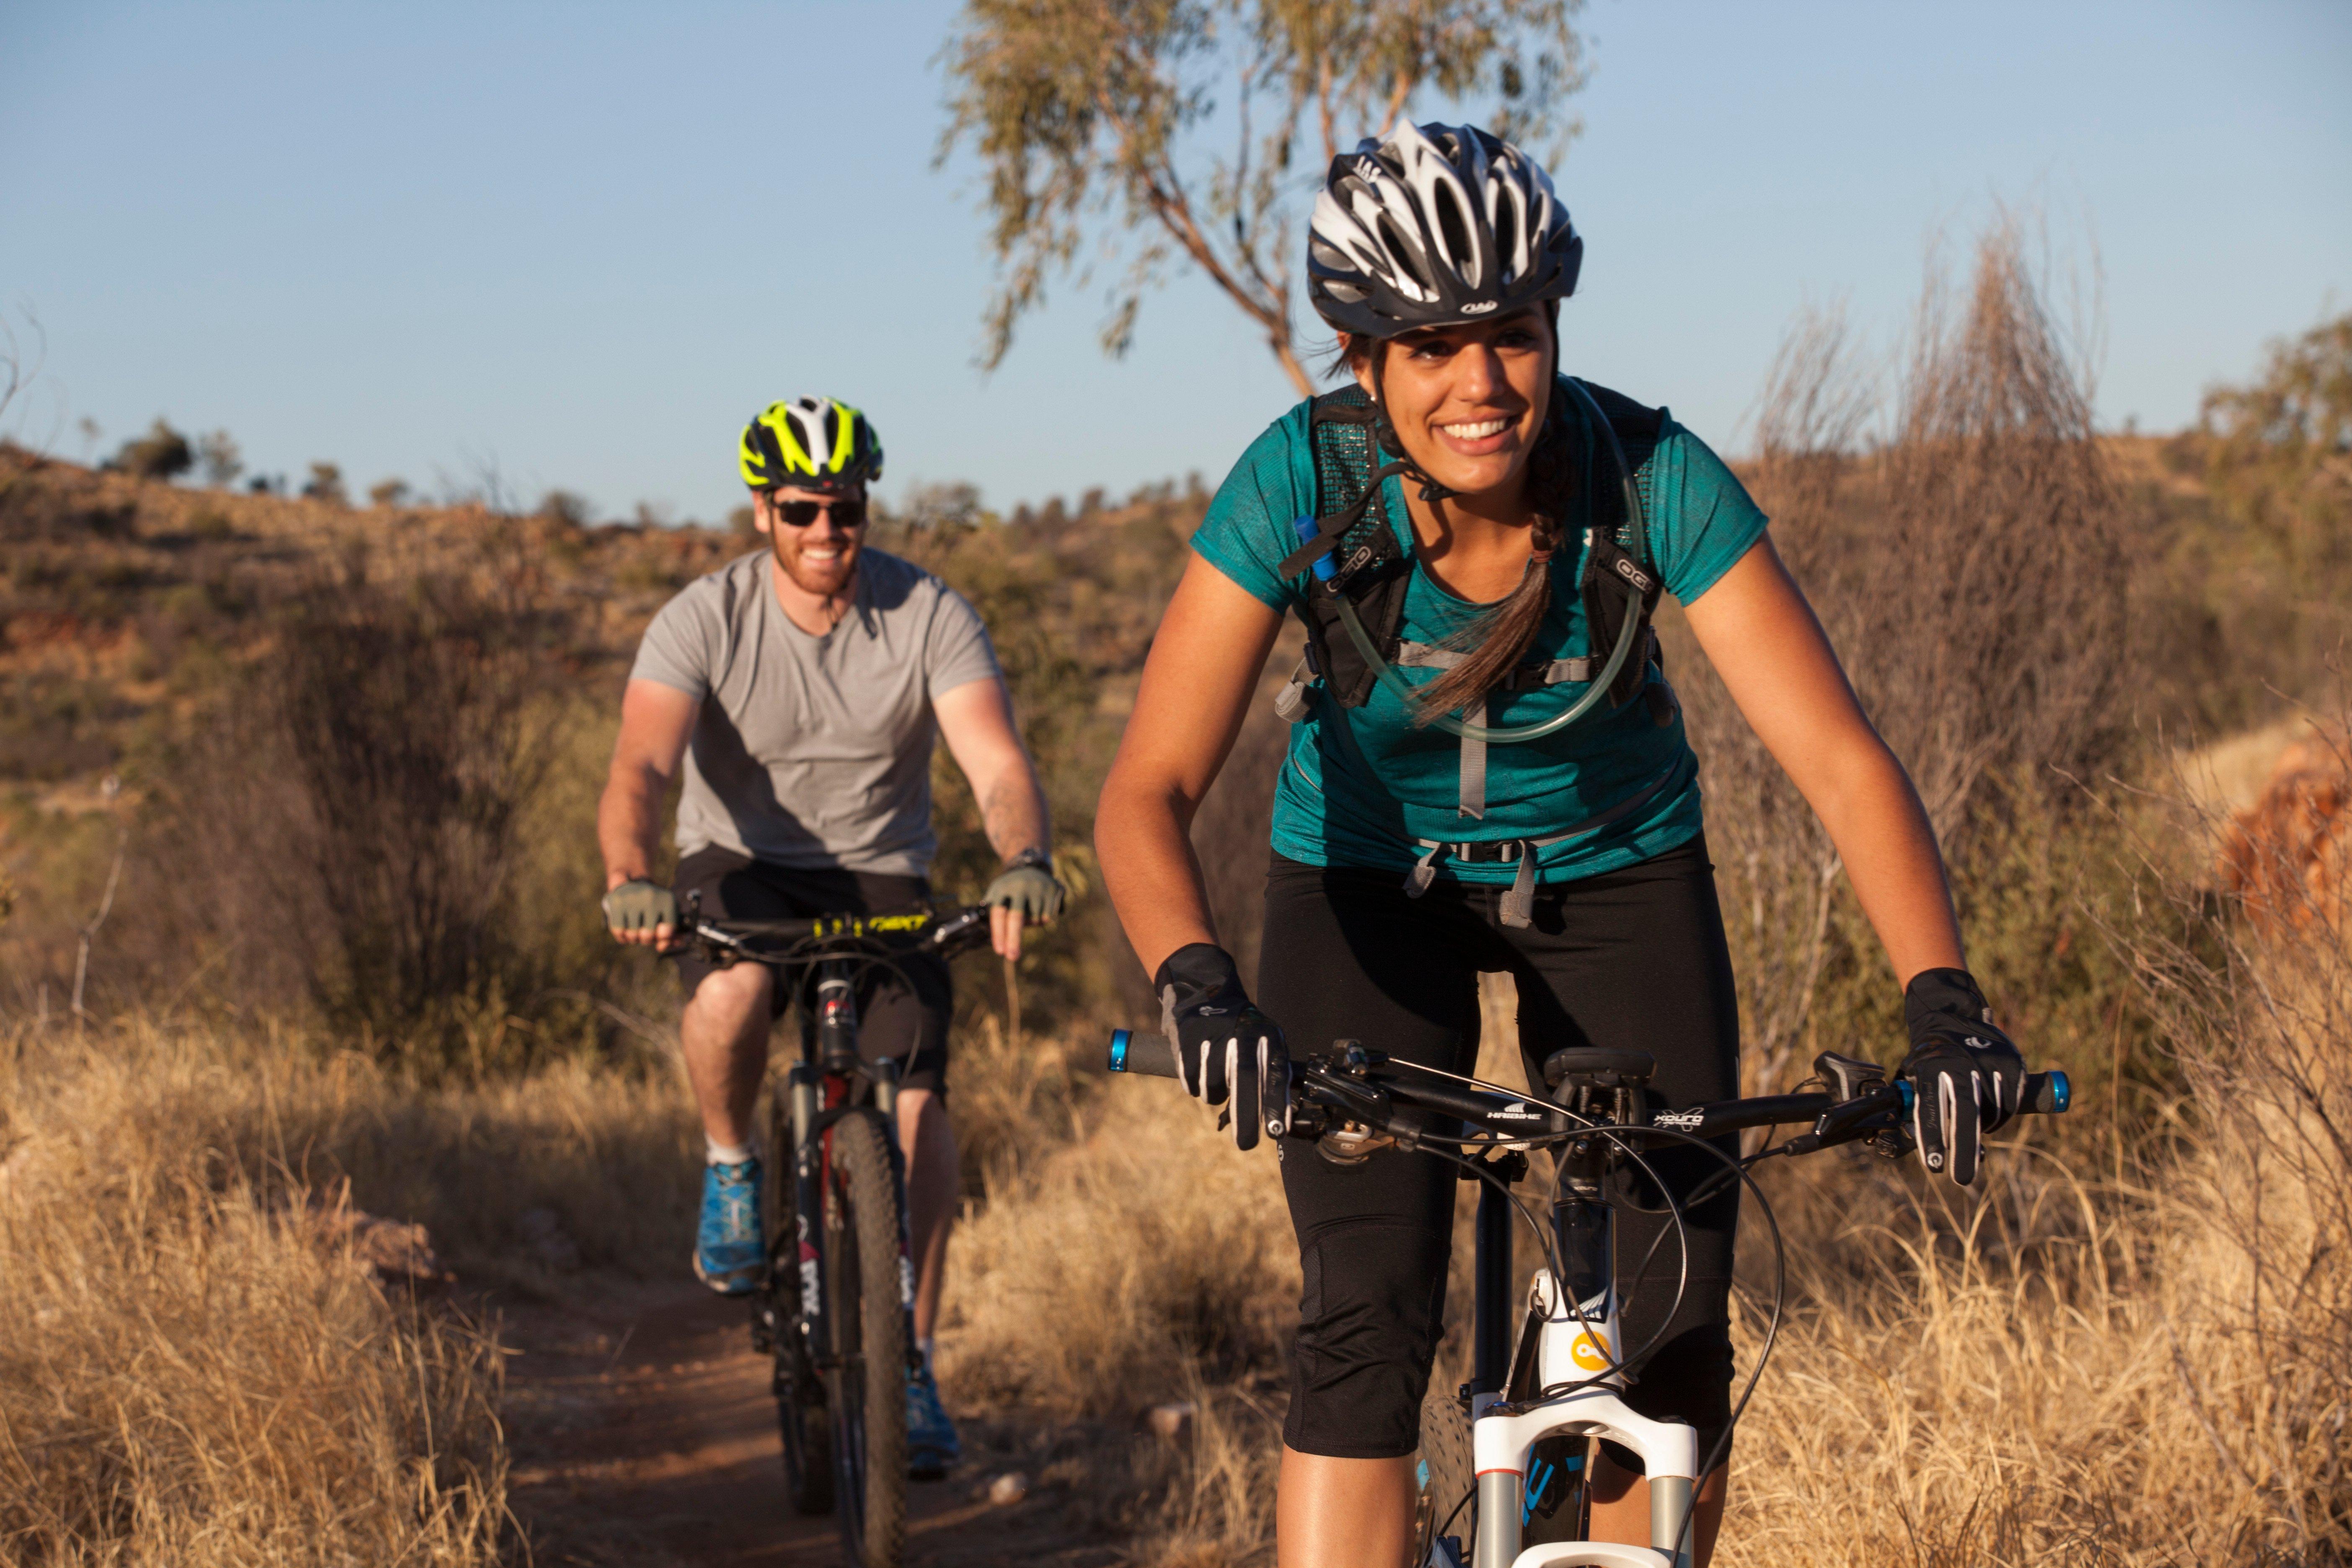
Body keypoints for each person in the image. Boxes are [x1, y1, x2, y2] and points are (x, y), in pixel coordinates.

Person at [1095, 123, 2025, 1567]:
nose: (1482, 386)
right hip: (1362, 887)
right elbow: (1147, 784)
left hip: (1616, 872)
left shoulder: (1652, 476)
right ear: (1362, 361)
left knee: (1670, 1339)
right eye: (1431, 348)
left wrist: (1943, 1001)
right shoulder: (1296, 488)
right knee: (1366, 1318)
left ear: (1555, 329)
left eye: (1513, 337)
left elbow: (1844, 765)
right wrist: (1198, 982)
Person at [598, 395, 1065, 1479]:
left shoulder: (927, 613)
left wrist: (1023, 857)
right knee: (732, 996)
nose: (824, 533)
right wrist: (630, 875)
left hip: (879, 877)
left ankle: (909, 1360)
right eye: (802, 509)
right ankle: (729, 1168)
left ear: (866, 509)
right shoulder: (703, 617)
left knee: (914, 1108)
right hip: (741, 866)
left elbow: (995, 766)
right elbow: (641, 768)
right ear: (764, 509)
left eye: (844, 511)